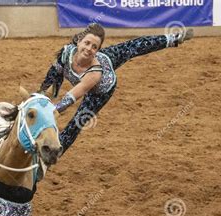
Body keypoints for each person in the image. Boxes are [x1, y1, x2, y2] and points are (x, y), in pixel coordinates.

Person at [39, 23, 194, 154]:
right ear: (78, 41)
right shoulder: (66, 53)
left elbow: (70, 98)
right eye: (86, 43)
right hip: (105, 59)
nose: (88, 49)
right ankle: (172, 39)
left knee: (76, 123)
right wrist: (42, 93)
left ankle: (53, 155)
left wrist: (50, 111)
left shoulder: (95, 73)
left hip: (101, 91)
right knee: (132, 46)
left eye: (94, 47)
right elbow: (54, 72)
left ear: (97, 51)